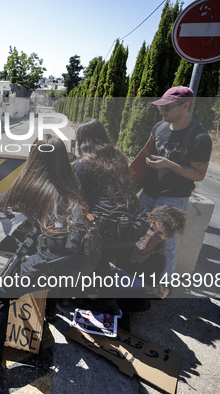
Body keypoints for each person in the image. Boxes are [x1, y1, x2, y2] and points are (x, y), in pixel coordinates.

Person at [0, 135, 100, 379]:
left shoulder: (30, 183)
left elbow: (0, 201)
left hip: (49, 259)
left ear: (35, 157)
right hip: (76, 265)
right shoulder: (71, 182)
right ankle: (46, 323)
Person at [73, 118, 148, 312]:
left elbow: (74, 200)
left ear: (83, 140)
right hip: (128, 227)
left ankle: (91, 297)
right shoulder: (118, 157)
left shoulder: (82, 164)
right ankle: (108, 302)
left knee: (81, 252)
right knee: (101, 258)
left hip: (103, 230)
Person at [143, 86, 212, 280]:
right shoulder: (159, 127)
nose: (162, 111)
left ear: (185, 106)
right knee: (139, 236)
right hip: (148, 194)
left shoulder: (200, 138)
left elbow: (199, 174)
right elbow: (146, 153)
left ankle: (162, 286)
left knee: (166, 245)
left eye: (167, 107)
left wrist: (170, 165)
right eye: (160, 107)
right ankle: (139, 279)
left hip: (172, 200)